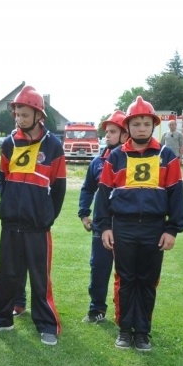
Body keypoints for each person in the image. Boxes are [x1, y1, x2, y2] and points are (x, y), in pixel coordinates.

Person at [93, 96, 183, 352]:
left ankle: (143, 332)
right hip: (123, 227)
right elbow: (103, 194)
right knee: (126, 280)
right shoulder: (116, 157)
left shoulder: (167, 156)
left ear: (154, 125)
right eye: (136, 124)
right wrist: (105, 226)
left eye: (146, 124)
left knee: (147, 280)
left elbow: (176, 195)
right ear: (128, 127)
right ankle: (125, 330)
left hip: (154, 229)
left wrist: (172, 229)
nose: (141, 128)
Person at [0, 86, 66, 346]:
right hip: (11, 224)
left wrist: (46, 215)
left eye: (25, 115)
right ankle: (0, 318)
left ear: (39, 115)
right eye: (17, 114)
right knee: (6, 273)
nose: (19, 119)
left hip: (37, 226)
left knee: (40, 278)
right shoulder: (9, 143)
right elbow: (2, 178)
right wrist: (9, 203)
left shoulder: (53, 146)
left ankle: (47, 324)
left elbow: (59, 187)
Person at [78, 110, 128, 323]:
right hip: (101, 225)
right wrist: (84, 214)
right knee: (99, 268)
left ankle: (124, 313)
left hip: (126, 226)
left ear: (125, 134)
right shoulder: (98, 162)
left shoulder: (134, 161)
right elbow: (87, 189)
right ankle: (96, 309)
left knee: (126, 272)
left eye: (113, 131)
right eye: (106, 131)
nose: (107, 135)